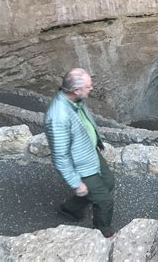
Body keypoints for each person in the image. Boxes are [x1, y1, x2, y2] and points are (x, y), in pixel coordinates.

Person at [44, 68, 116, 237]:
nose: (91, 88)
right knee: (104, 201)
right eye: (88, 86)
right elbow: (60, 157)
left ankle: (71, 209)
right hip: (80, 163)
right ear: (76, 90)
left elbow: (83, 123)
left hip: (88, 152)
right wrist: (76, 183)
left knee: (108, 182)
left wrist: (95, 142)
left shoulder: (75, 100)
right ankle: (103, 232)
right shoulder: (58, 117)